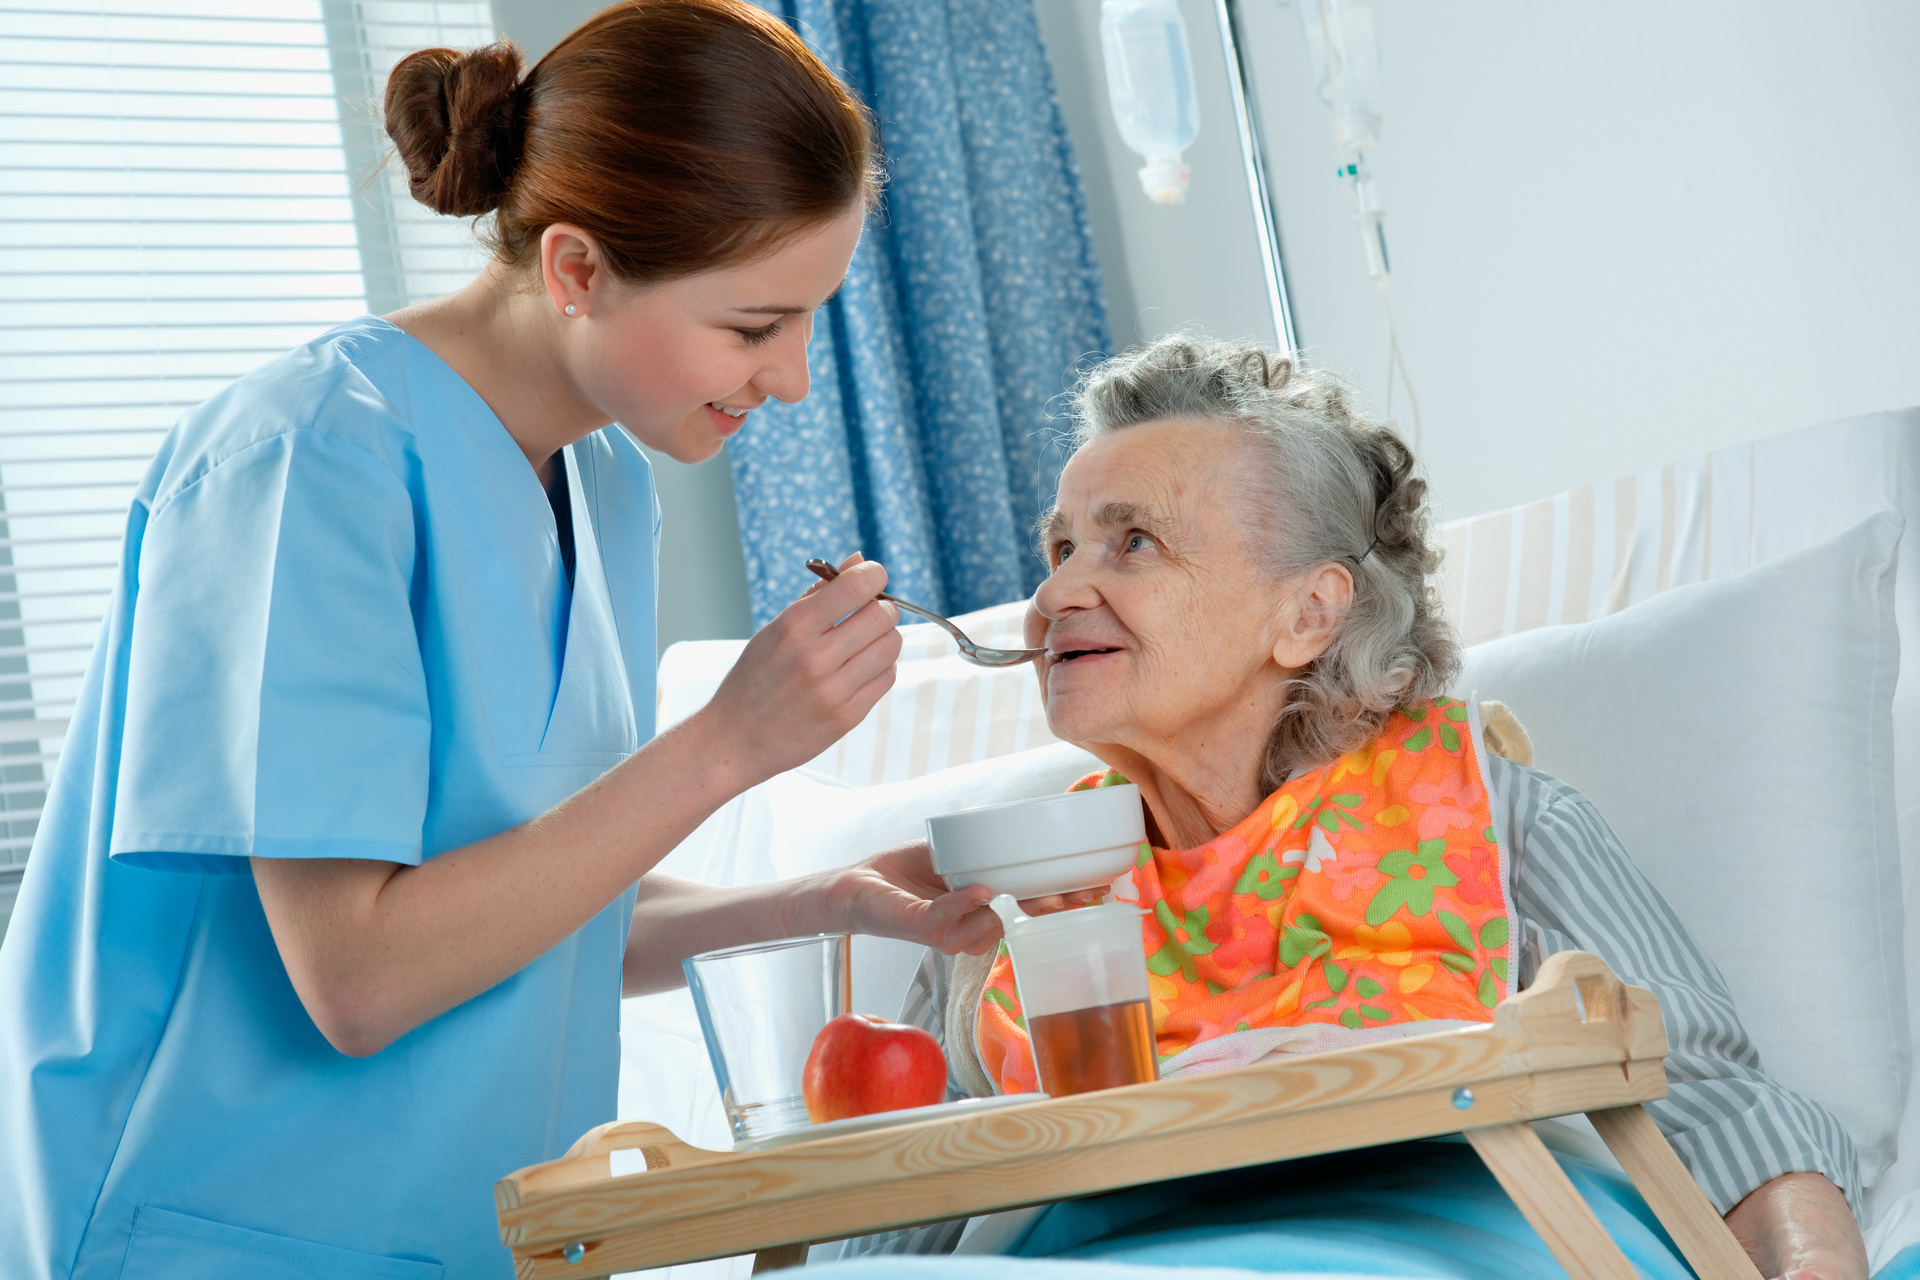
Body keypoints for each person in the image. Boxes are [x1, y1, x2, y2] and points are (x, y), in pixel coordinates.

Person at [0, 4, 1004, 1277]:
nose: (794, 377)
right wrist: (725, 746)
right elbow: (359, 976)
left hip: (474, 1237)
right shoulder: (309, 455)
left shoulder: (608, 489)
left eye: (809, 320)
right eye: (754, 326)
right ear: (577, 268)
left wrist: (823, 898)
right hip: (212, 1228)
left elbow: (539, 905)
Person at [860, 336, 1867, 1279]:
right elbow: (888, 1215)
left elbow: (1724, 1120)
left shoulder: (1497, 822)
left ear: (1310, 611)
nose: (1055, 593)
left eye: (1133, 543)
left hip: (1446, 1230)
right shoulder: (1010, 891)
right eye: (1060, 548)